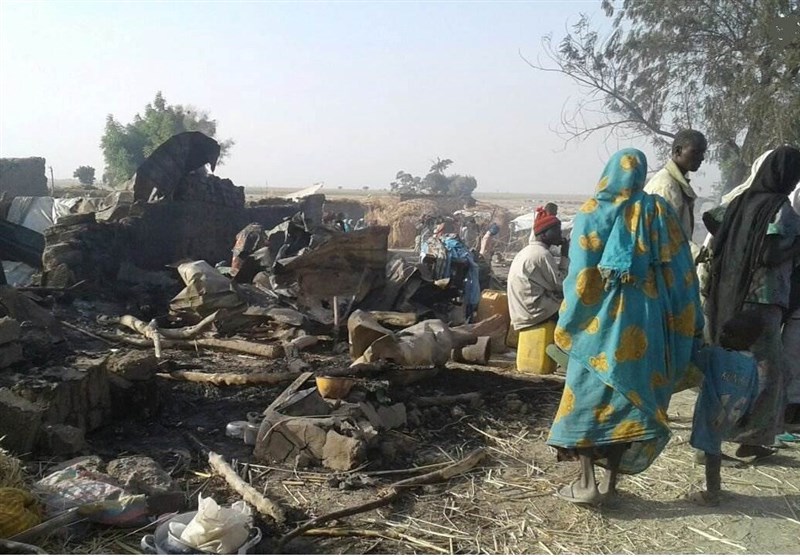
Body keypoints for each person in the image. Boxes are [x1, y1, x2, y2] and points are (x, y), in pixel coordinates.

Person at [547, 148, 704, 505]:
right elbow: (682, 271)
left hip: (599, 326)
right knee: (628, 401)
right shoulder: (658, 211)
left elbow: (581, 275)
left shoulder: (592, 213)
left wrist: (570, 320)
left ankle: (586, 483)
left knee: (586, 397)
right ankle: (609, 484)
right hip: (647, 324)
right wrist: (689, 321)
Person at [705, 146, 800, 459]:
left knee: (725, 367)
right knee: (769, 372)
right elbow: (770, 254)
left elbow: (712, 220)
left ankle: (709, 436)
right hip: (762, 300)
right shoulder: (780, 208)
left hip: (729, 295)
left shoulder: (740, 201)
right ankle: (751, 438)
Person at [689, 311, 762, 506]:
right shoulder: (751, 363)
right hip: (733, 414)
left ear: (745, 340)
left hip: (712, 411)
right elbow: (753, 391)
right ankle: (713, 486)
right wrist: (747, 414)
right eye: (723, 331)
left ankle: (712, 493)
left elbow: (695, 356)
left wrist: (693, 335)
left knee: (713, 451)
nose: (722, 336)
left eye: (729, 334)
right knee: (714, 446)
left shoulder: (716, 355)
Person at [644, 129, 707, 252]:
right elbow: (665, 235)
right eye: (696, 152)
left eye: (703, 152)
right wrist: (696, 254)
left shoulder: (676, 183)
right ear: (678, 151)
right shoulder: (666, 186)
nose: (702, 158)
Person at [507, 208, 569, 331]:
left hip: (521, 311)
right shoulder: (542, 254)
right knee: (576, 310)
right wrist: (565, 255)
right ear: (544, 234)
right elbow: (562, 285)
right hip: (535, 313)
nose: (560, 234)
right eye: (556, 231)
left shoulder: (527, 251)